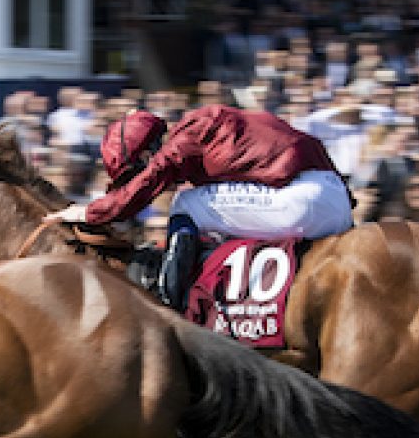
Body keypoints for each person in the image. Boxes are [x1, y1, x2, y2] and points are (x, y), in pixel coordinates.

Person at [52, 104, 353, 310]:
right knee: (208, 211)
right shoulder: (215, 126)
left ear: (145, 156)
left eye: (132, 174)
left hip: (301, 201)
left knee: (185, 203)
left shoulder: (190, 132)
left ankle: (168, 304)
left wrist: (87, 212)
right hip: (335, 201)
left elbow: (147, 182)